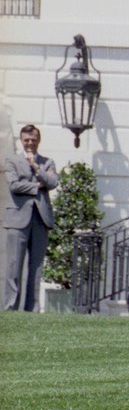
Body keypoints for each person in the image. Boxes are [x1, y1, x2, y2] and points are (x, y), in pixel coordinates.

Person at [4, 125, 59, 311]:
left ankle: (32, 309)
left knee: (36, 267)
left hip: (40, 219)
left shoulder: (47, 162)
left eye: (33, 140)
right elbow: (13, 185)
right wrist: (36, 186)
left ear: (38, 140)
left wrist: (36, 166)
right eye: (27, 140)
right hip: (17, 218)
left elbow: (52, 183)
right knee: (13, 265)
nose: (30, 143)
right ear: (22, 140)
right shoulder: (11, 161)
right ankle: (10, 306)